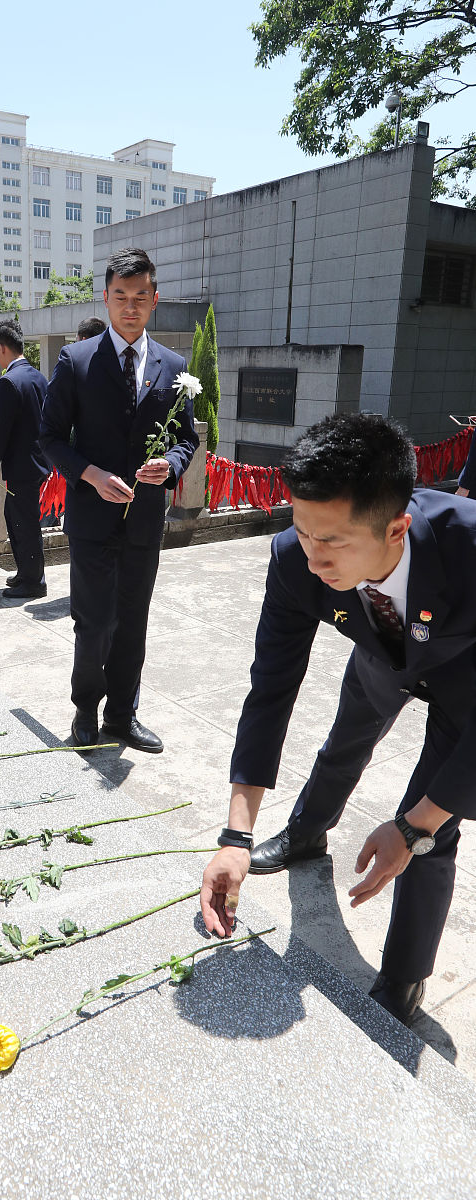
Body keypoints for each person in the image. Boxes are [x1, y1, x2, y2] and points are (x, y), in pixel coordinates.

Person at [200, 412, 476, 1028]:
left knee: (431, 826)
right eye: (303, 531)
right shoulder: (295, 557)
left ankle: (405, 976)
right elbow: (270, 688)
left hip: (465, 673)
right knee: (345, 742)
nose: (313, 555)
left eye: (333, 541)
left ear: (396, 528)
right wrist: (235, 835)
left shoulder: (469, 548)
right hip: (381, 653)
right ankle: (305, 832)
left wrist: (413, 827)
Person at [39, 247, 199, 753]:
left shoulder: (174, 366)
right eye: (120, 296)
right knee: (94, 621)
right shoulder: (77, 360)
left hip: (144, 521)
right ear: (106, 299)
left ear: (156, 299)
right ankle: (85, 710)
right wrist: (88, 473)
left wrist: (169, 466)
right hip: (90, 520)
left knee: (133, 620)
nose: (130, 306)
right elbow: (49, 438)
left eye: (140, 297)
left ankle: (122, 715)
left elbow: (187, 438)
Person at [0, 319, 49, 598]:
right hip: (37, 461)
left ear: (1, 348)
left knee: (24, 522)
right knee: (15, 517)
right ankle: (26, 572)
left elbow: (2, 430)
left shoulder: (8, 382)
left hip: (21, 465)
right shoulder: (38, 377)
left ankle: (34, 582)